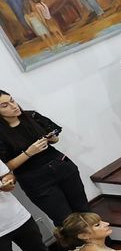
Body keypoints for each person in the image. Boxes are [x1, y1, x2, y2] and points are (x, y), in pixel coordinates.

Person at [0, 92, 89, 226]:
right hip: (36, 181)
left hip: (62, 166)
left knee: (85, 211)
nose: (13, 106)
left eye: (12, 100)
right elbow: (6, 167)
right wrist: (29, 153)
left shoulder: (32, 116)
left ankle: (101, 239)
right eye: (5, 105)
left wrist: (52, 138)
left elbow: (55, 139)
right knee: (65, 221)